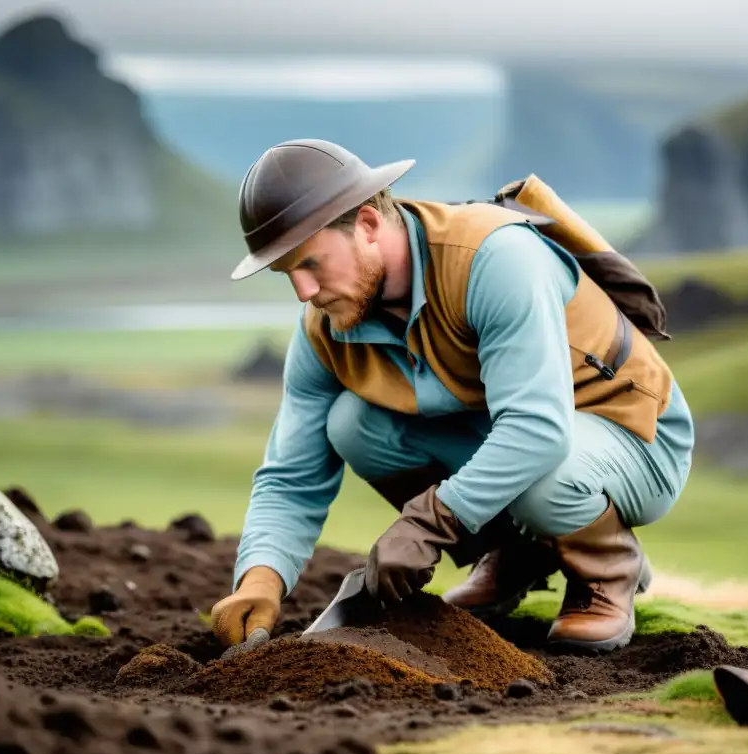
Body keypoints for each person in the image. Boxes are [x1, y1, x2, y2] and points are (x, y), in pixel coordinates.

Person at [210, 139, 694, 654]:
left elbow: (537, 430)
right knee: (353, 423)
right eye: (288, 274)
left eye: (311, 264)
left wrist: (429, 523)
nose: (304, 293)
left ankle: (606, 571)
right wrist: (260, 580)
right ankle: (515, 552)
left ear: (369, 226)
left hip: (634, 432)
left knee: (542, 472)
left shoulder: (495, 259)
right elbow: (292, 472)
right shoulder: (325, 325)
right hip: (522, 433)